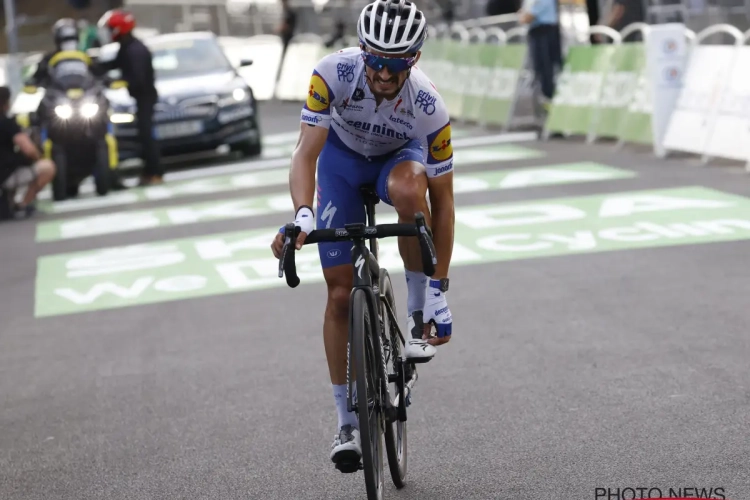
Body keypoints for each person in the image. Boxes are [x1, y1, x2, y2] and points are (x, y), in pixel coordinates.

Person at [270, 0, 454, 467]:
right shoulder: (331, 74)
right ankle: (345, 424)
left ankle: (415, 315)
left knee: (411, 192)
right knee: (337, 295)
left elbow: (444, 202)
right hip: (341, 166)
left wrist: (440, 287)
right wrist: (304, 214)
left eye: (397, 64)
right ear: (361, 51)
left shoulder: (430, 106)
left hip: (398, 161)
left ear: (413, 60)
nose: (386, 74)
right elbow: (304, 154)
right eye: (376, 61)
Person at [97, 9, 163, 187]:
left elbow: (137, 79)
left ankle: (155, 172)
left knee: (147, 135)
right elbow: (113, 64)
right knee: (143, 135)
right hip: (140, 97)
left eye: (111, 29)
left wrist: (119, 81)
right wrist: (91, 66)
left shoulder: (135, 50)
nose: (109, 33)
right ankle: (150, 171)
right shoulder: (126, 47)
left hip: (145, 97)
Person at [0, 87, 56, 217]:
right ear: (7, 103)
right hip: (5, 175)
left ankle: (10, 204)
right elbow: (28, 148)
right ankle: (22, 205)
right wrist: (37, 157)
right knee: (47, 167)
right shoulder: (7, 123)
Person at [519, 0, 563, 109]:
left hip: (545, 32)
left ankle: (550, 99)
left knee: (547, 68)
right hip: (539, 32)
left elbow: (526, 18)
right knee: (541, 68)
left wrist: (523, 15)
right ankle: (546, 100)